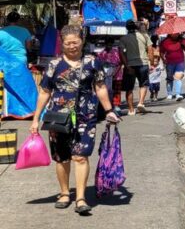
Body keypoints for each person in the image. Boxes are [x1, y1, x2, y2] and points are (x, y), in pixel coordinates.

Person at [30, 25, 120, 214]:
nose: (72, 46)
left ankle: (80, 197)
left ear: (82, 41)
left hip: (85, 117)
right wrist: (36, 119)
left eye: (75, 42)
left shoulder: (93, 63)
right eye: (68, 43)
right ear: (62, 44)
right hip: (58, 117)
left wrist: (109, 110)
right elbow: (45, 92)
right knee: (62, 158)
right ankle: (64, 193)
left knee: (81, 156)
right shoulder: (54, 65)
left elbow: (100, 87)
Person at [120, 19, 152, 114]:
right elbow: (150, 49)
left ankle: (131, 110)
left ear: (126, 28)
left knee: (129, 88)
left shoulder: (123, 39)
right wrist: (152, 62)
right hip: (143, 64)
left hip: (130, 65)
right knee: (143, 84)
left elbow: (121, 53)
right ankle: (141, 103)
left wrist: (126, 65)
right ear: (136, 27)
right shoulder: (144, 36)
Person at [93, 35, 125, 112]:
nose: (109, 45)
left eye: (110, 44)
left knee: (116, 90)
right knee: (107, 90)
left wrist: (116, 70)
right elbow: (98, 64)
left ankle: (116, 105)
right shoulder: (101, 53)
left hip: (117, 74)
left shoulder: (116, 51)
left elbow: (120, 62)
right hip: (106, 76)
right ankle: (108, 105)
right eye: (107, 44)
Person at [159, 32, 185, 102]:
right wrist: (163, 60)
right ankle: (170, 94)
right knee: (170, 78)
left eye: (177, 33)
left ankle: (178, 94)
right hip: (169, 63)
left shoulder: (182, 40)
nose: (176, 34)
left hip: (180, 62)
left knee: (178, 77)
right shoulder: (164, 42)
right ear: (170, 33)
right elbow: (161, 52)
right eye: (174, 33)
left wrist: (184, 45)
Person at [147, 35, 163, 102]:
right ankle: (152, 93)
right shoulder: (148, 48)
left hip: (157, 65)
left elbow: (160, 56)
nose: (154, 41)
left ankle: (155, 96)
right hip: (150, 65)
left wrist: (160, 63)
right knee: (150, 84)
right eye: (153, 40)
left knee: (157, 84)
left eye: (155, 40)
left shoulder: (158, 47)